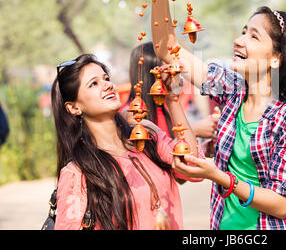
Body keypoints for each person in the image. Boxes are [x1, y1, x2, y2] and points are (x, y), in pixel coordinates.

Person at [148, 0, 286, 230]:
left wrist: (219, 177)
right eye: (244, 32)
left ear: (277, 58)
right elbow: (168, 49)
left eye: (254, 36)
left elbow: (281, 204)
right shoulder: (232, 92)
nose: (238, 41)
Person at [50, 53, 205, 230]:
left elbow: (194, 167)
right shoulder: (77, 174)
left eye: (106, 78)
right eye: (94, 83)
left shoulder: (146, 136)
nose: (108, 85)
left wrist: (171, 98)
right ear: (74, 107)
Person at [121, 42, 219, 143]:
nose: (176, 74)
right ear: (153, 73)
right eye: (169, 68)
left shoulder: (164, 108)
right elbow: (157, 155)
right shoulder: (132, 115)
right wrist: (194, 131)